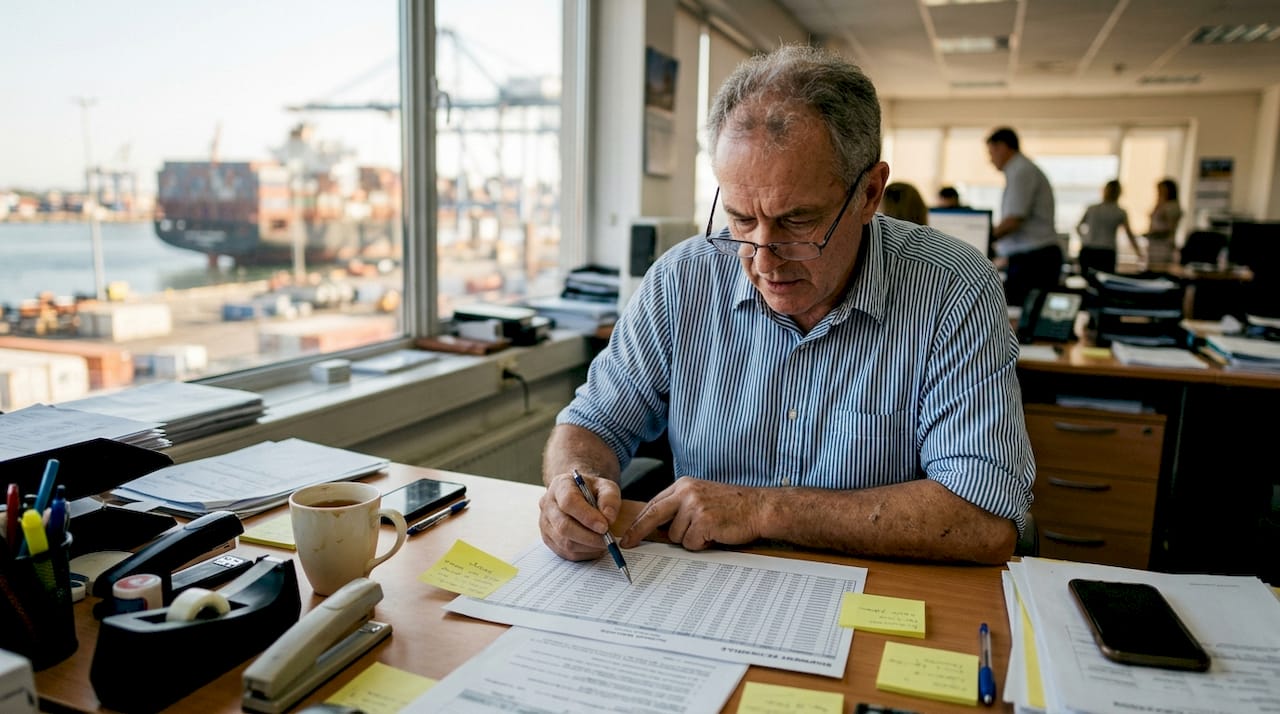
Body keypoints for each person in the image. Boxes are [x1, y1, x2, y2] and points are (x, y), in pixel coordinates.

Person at [538, 44, 1034, 567]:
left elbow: (984, 519)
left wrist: (764, 510)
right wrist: (573, 484)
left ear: (869, 193)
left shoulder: (953, 287)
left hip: (873, 592)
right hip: (703, 588)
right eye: (740, 218)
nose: (763, 258)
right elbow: (592, 423)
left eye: (797, 222)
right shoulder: (682, 279)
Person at [985, 127, 1062, 307]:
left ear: (1002, 147)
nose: (990, 160)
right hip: (1033, 258)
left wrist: (984, 238)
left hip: (1034, 261)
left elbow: (1013, 220)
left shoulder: (1021, 171)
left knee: (1017, 314)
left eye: (991, 152)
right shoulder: (1020, 170)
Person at [1076, 179, 1141, 276]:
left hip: (1088, 249)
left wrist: (1084, 239)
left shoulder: (1092, 208)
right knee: (1105, 280)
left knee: (1087, 280)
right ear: (1119, 193)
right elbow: (1129, 235)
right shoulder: (1119, 212)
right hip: (1106, 252)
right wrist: (1138, 252)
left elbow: (1078, 227)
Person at [1145, 178, 1182, 267]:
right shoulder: (1159, 204)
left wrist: (1155, 234)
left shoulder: (1172, 206)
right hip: (1153, 245)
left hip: (1164, 246)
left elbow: (1170, 228)